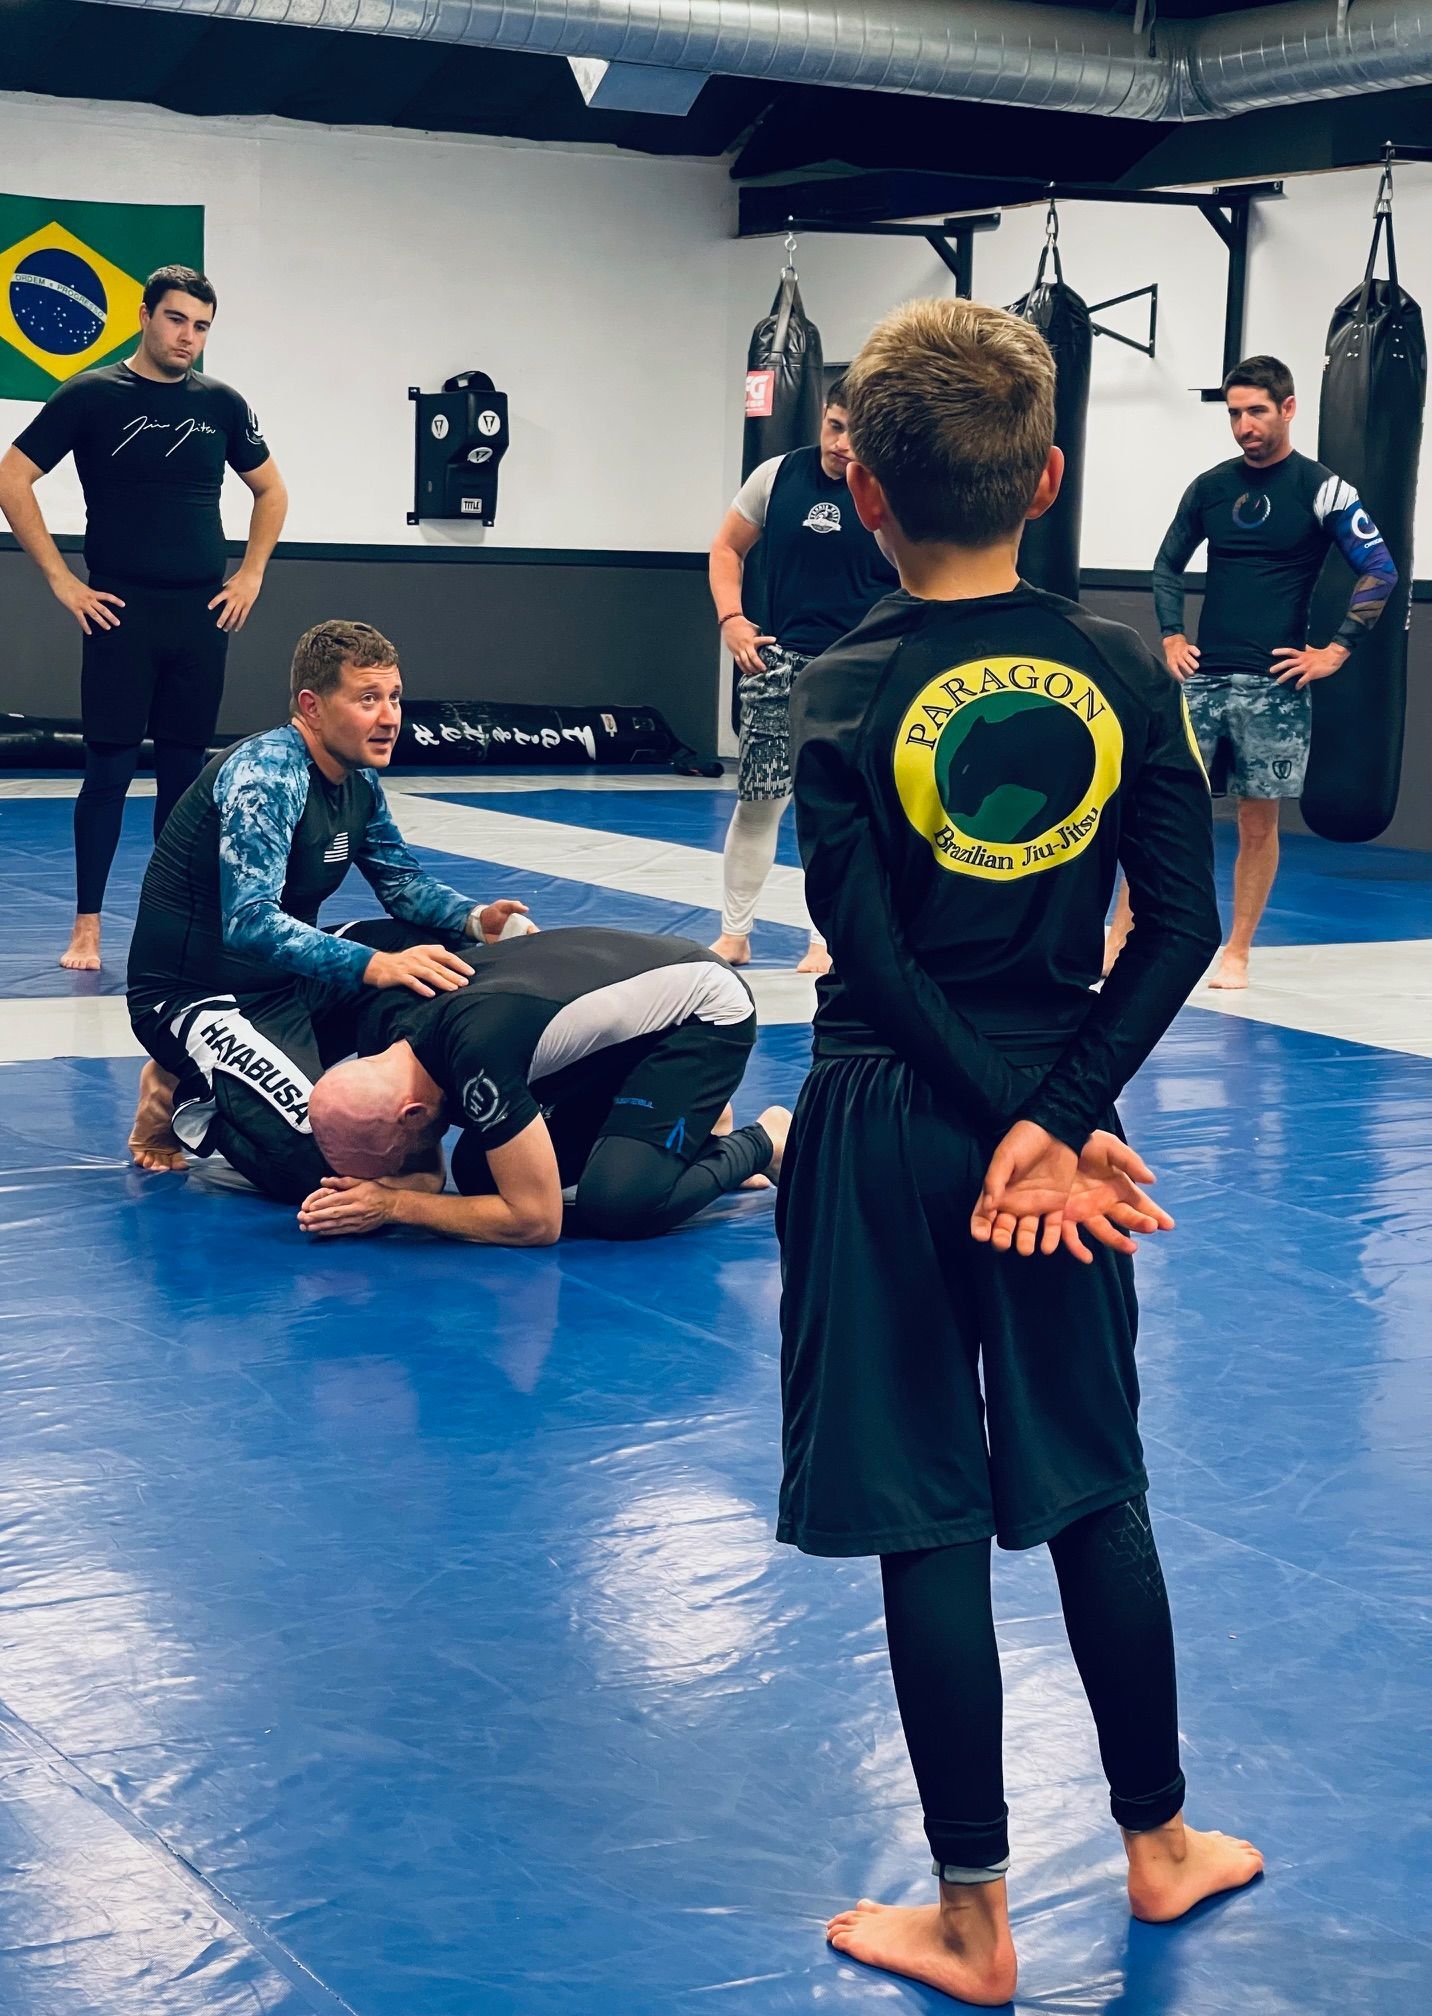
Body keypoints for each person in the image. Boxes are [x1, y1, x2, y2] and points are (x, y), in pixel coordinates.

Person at [777, 297, 1262, 2005]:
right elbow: (1181, 926)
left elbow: (868, 955)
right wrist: (1057, 1123)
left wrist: (1016, 1123)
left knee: (926, 1509)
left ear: (864, 487)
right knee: (1090, 1480)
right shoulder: (1124, 667)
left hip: (887, 1119)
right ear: (1046, 479)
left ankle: (976, 1919)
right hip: (1053, 1121)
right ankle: (1158, 1844)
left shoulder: (837, 688)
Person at [125, 619, 531, 1202]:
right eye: (367, 699)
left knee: (447, 960)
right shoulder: (267, 774)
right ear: (312, 707)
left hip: (288, 980)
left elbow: (402, 883)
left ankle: (421, 1092)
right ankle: (188, 1092)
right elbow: (250, 922)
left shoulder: (358, 777)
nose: (389, 717)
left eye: (394, 697)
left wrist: (475, 919)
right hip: (200, 994)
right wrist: (373, 965)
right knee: (328, 1170)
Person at [0, 263, 289, 973]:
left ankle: (169, 924)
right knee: (109, 773)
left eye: (202, 327)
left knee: (185, 778)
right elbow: (10, 478)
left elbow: (271, 491)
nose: (188, 337)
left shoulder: (222, 404)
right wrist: (63, 581)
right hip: (120, 614)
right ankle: (87, 927)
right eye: (177, 319)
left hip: (200, 616)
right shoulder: (91, 395)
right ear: (145, 315)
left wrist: (251, 573)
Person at [1106, 353, 1397, 986]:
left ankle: (1237, 951)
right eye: (1235, 414)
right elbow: (1167, 564)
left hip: (1275, 686)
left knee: (1256, 820)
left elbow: (1380, 569)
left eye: (1257, 411)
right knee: (1158, 812)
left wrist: (1336, 651)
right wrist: (1172, 635)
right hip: (1203, 679)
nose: (1245, 426)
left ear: (1288, 408)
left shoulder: (1323, 489)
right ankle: (1120, 936)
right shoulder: (1211, 486)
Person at [298, 926, 789, 1246]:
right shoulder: (384, 1033)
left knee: (620, 1205)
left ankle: (766, 1141)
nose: (392, 1172)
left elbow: (537, 1221)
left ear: (410, 1114)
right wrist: (397, 1187)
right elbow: (428, 1168)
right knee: (478, 1176)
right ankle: (693, 1126)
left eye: (391, 1160)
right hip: (613, 1014)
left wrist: (395, 1205)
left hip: (701, 1013)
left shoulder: (477, 1054)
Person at [709, 378, 900, 975]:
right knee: (758, 803)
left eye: (857, 434)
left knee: (837, 808)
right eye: (835, 427)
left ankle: (826, 938)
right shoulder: (776, 477)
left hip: (858, 671)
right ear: (823, 415)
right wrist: (732, 620)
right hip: (779, 663)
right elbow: (726, 548)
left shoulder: (892, 488)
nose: (843, 444)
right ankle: (734, 936)